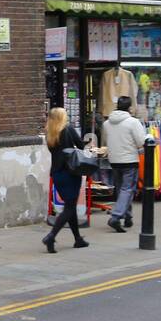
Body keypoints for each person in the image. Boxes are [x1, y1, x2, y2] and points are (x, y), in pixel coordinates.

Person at [43, 107, 91, 254]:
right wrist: (88, 143)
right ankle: (51, 236)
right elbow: (81, 146)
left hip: (57, 174)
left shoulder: (50, 133)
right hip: (70, 172)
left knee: (70, 206)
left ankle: (78, 239)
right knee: (69, 208)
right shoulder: (68, 129)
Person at [101, 95, 147, 233]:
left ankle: (128, 217)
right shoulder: (133, 122)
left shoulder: (106, 123)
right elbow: (140, 142)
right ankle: (115, 217)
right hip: (129, 160)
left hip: (114, 160)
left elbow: (106, 141)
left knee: (121, 189)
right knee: (127, 189)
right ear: (130, 107)